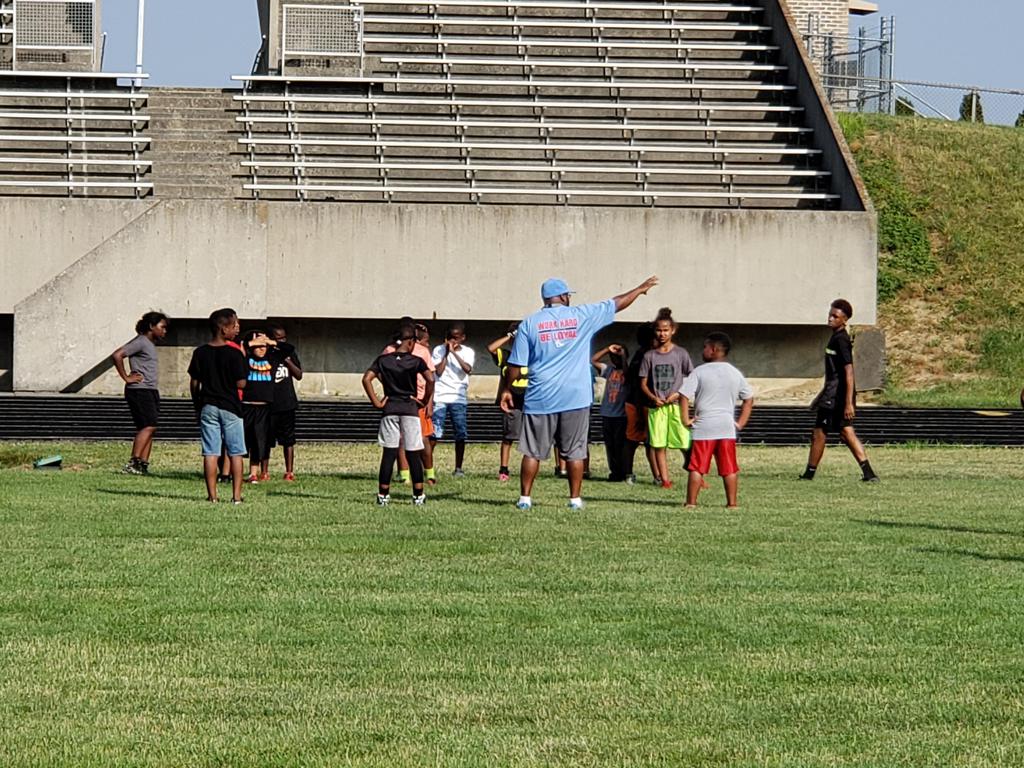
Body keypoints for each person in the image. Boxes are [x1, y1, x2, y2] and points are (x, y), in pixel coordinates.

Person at [502, 275, 659, 510]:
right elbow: (617, 303)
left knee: (532, 452)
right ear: (563, 297)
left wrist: (507, 389)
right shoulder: (582, 315)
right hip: (575, 397)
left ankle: (525, 499)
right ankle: (574, 499)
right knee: (575, 451)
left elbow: (516, 364)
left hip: (541, 396)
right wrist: (639, 289)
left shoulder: (529, 324)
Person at [800, 299, 880, 483]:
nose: (830, 318)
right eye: (830, 314)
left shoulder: (841, 340)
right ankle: (869, 473)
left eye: (835, 316)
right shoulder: (835, 337)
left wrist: (848, 403)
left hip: (836, 397)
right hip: (832, 394)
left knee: (820, 432)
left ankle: (809, 474)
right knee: (844, 431)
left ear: (845, 320)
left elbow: (849, 372)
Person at [363, 323, 435, 506]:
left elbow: (366, 379)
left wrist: (377, 402)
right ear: (410, 342)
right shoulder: (415, 361)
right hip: (409, 408)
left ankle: (383, 494)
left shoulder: (383, 360)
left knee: (389, 452)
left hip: (390, 409)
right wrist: (424, 399)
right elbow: (430, 379)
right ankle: (418, 495)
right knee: (413, 452)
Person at [680, 332, 754, 508]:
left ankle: (691, 503)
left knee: (697, 467)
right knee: (729, 468)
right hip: (726, 428)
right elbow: (749, 399)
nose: (703, 350)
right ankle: (732, 504)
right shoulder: (734, 373)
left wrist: (685, 419)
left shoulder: (699, 371)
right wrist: (741, 422)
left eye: (705, 347)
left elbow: (683, 395)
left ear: (713, 349)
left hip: (704, 427)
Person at [188, 308, 248, 504]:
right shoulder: (235, 353)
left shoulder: (200, 352)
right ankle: (236, 496)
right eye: (234, 325)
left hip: (208, 405)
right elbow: (241, 383)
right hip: (231, 406)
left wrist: (197, 403)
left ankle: (212, 496)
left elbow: (194, 382)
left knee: (210, 451)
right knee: (236, 451)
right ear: (224, 329)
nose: (237, 329)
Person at [639, 308, 694, 489]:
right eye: (659, 330)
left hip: (677, 406)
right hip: (657, 407)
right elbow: (643, 383)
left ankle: (696, 474)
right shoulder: (649, 356)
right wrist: (653, 398)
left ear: (673, 330)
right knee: (658, 444)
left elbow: (691, 378)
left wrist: (678, 394)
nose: (662, 334)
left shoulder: (681, 353)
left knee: (685, 442)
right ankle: (665, 480)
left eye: (665, 330)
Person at [111, 311, 169, 476]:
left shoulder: (149, 344)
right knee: (148, 426)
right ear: (151, 326)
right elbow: (117, 355)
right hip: (140, 390)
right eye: (162, 327)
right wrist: (126, 377)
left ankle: (142, 464)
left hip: (150, 389)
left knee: (150, 427)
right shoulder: (141, 341)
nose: (164, 331)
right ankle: (134, 462)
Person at [385, 319, 437, 486]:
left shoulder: (421, 352)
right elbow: (378, 371)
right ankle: (408, 474)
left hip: (415, 400)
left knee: (419, 438)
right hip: (405, 400)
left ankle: (425, 474)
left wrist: (428, 401)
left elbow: (431, 378)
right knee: (405, 439)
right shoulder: (390, 350)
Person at [431, 322, 475, 477]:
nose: (452, 341)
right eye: (450, 337)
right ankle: (428, 466)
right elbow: (438, 371)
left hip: (458, 397)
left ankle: (458, 468)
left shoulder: (468, 352)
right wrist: (446, 353)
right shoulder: (438, 350)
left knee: (460, 433)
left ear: (462, 338)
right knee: (435, 432)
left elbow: (467, 369)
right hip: (440, 395)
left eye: (456, 338)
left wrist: (454, 354)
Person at [488, 322, 528, 482]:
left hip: (530, 398)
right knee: (509, 436)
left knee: (531, 436)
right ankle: (504, 468)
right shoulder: (506, 356)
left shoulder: (532, 355)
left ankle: (529, 467)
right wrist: (510, 336)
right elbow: (491, 348)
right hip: (512, 400)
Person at [622, 322, 658, 485]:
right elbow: (635, 384)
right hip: (638, 404)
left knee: (650, 442)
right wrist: (639, 411)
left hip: (645, 403)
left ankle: (656, 475)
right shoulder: (645, 355)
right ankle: (629, 474)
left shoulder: (642, 354)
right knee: (634, 441)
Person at [267, 322, 302, 481]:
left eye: (284, 338)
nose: (282, 341)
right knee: (267, 439)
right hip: (270, 402)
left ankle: (289, 471)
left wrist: (288, 361)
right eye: (278, 338)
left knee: (288, 440)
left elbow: (299, 375)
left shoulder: (289, 352)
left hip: (287, 402)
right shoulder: (266, 353)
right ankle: (264, 470)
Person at [592, 343, 629, 481]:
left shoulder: (628, 371)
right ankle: (614, 471)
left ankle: (622, 471)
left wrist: (622, 356)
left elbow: (627, 372)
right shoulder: (608, 370)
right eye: (613, 357)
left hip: (621, 415)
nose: (616, 359)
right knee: (610, 445)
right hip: (607, 413)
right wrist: (607, 349)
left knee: (620, 445)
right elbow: (593, 360)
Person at [242, 333, 276, 484]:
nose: (261, 349)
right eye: (258, 346)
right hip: (247, 406)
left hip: (264, 407)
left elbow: (288, 349)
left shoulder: (272, 359)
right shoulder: (245, 360)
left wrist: (269, 341)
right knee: (244, 440)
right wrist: (251, 343)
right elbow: (238, 350)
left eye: (264, 346)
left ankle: (253, 473)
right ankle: (233, 471)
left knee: (259, 441)